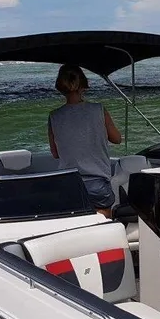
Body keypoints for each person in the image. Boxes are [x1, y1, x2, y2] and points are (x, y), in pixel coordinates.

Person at [48, 64, 122, 217]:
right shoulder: (99, 109)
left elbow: (55, 154)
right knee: (102, 227)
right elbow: (117, 139)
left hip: (70, 183)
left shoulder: (54, 116)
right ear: (83, 84)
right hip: (97, 182)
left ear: (61, 87)